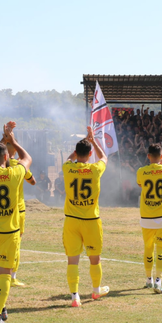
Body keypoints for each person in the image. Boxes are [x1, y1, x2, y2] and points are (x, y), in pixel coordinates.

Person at [0, 127, 32, 323]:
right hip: (8, 232)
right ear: (5, 156)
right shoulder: (14, 173)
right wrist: (14, 141)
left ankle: (1, 308)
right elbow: (27, 158)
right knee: (5, 273)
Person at [62, 126, 108, 307]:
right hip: (91, 221)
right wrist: (93, 141)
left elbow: (68, 159)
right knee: (94, 258)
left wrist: (78, 150)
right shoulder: (95, 169)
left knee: (72, 260)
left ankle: (75, 297)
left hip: (72, 221)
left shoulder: (67, 168)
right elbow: (104, 157)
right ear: (90, 155)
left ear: (76, 152)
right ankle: (96, 291)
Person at [136, 144, 162, 294]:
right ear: (161, 156)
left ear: (148, 156)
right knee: (161, 249)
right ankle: (158, 281)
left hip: (147, 216)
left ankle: (148, 279)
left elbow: (140, 184)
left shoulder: (141, 171)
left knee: (148, 248)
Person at [6, 138, 36, 287]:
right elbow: (32, 181)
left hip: (1, 211)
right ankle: (12, 277)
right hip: (18, 210)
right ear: (15, 150)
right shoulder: (19, 166)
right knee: (16, 243)